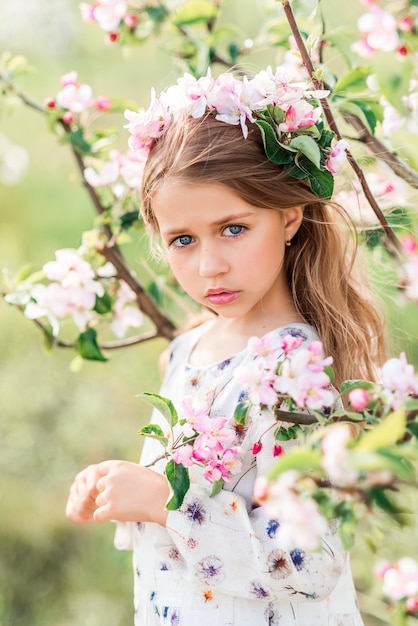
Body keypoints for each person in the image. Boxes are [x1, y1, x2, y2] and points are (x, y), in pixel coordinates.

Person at [66, 67, 387, 625]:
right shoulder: (188, 349)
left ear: (288, 215)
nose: (209, 265)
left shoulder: (293, 369)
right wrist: (122, 487)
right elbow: (174, 524)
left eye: (234, 228)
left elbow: (308, 564)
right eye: (183, 240)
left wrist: (164, 501)